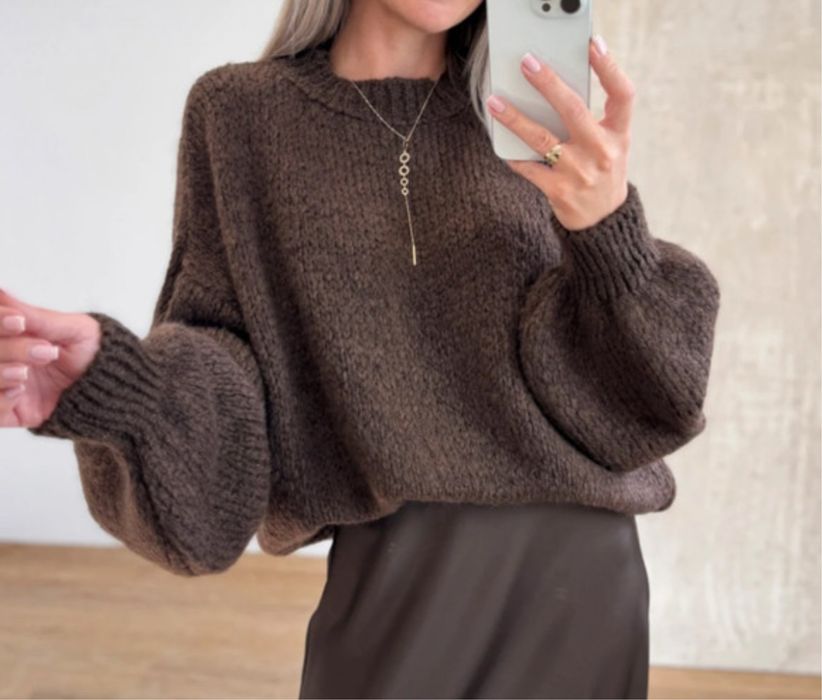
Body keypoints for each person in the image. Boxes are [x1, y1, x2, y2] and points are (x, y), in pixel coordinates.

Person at [3, 0, 721, 697]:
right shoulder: (241, 115)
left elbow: (648, 399)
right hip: (396, 583)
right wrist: (118, 382)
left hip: (582, 581)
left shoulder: (530, 116)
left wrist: (607, 229)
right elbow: (228, 364)